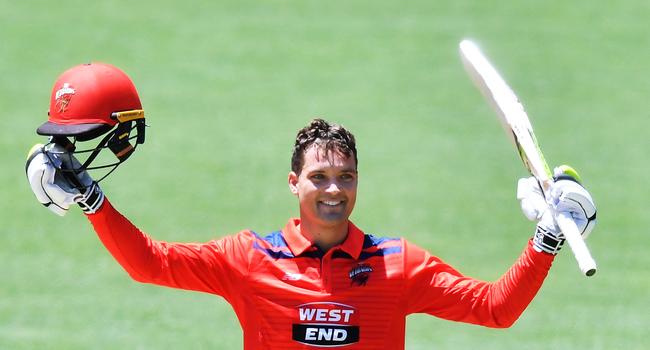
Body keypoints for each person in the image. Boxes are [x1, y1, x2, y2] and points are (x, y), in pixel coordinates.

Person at [27, 64, 597, 349]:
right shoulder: (247, 261)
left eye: (345, 177)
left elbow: (496, 309)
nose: (333, 190)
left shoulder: (399, 267)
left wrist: (545, 237)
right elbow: (147, 263)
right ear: (293, 184)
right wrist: (94, 202)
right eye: (319, 177)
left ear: (357, 184)